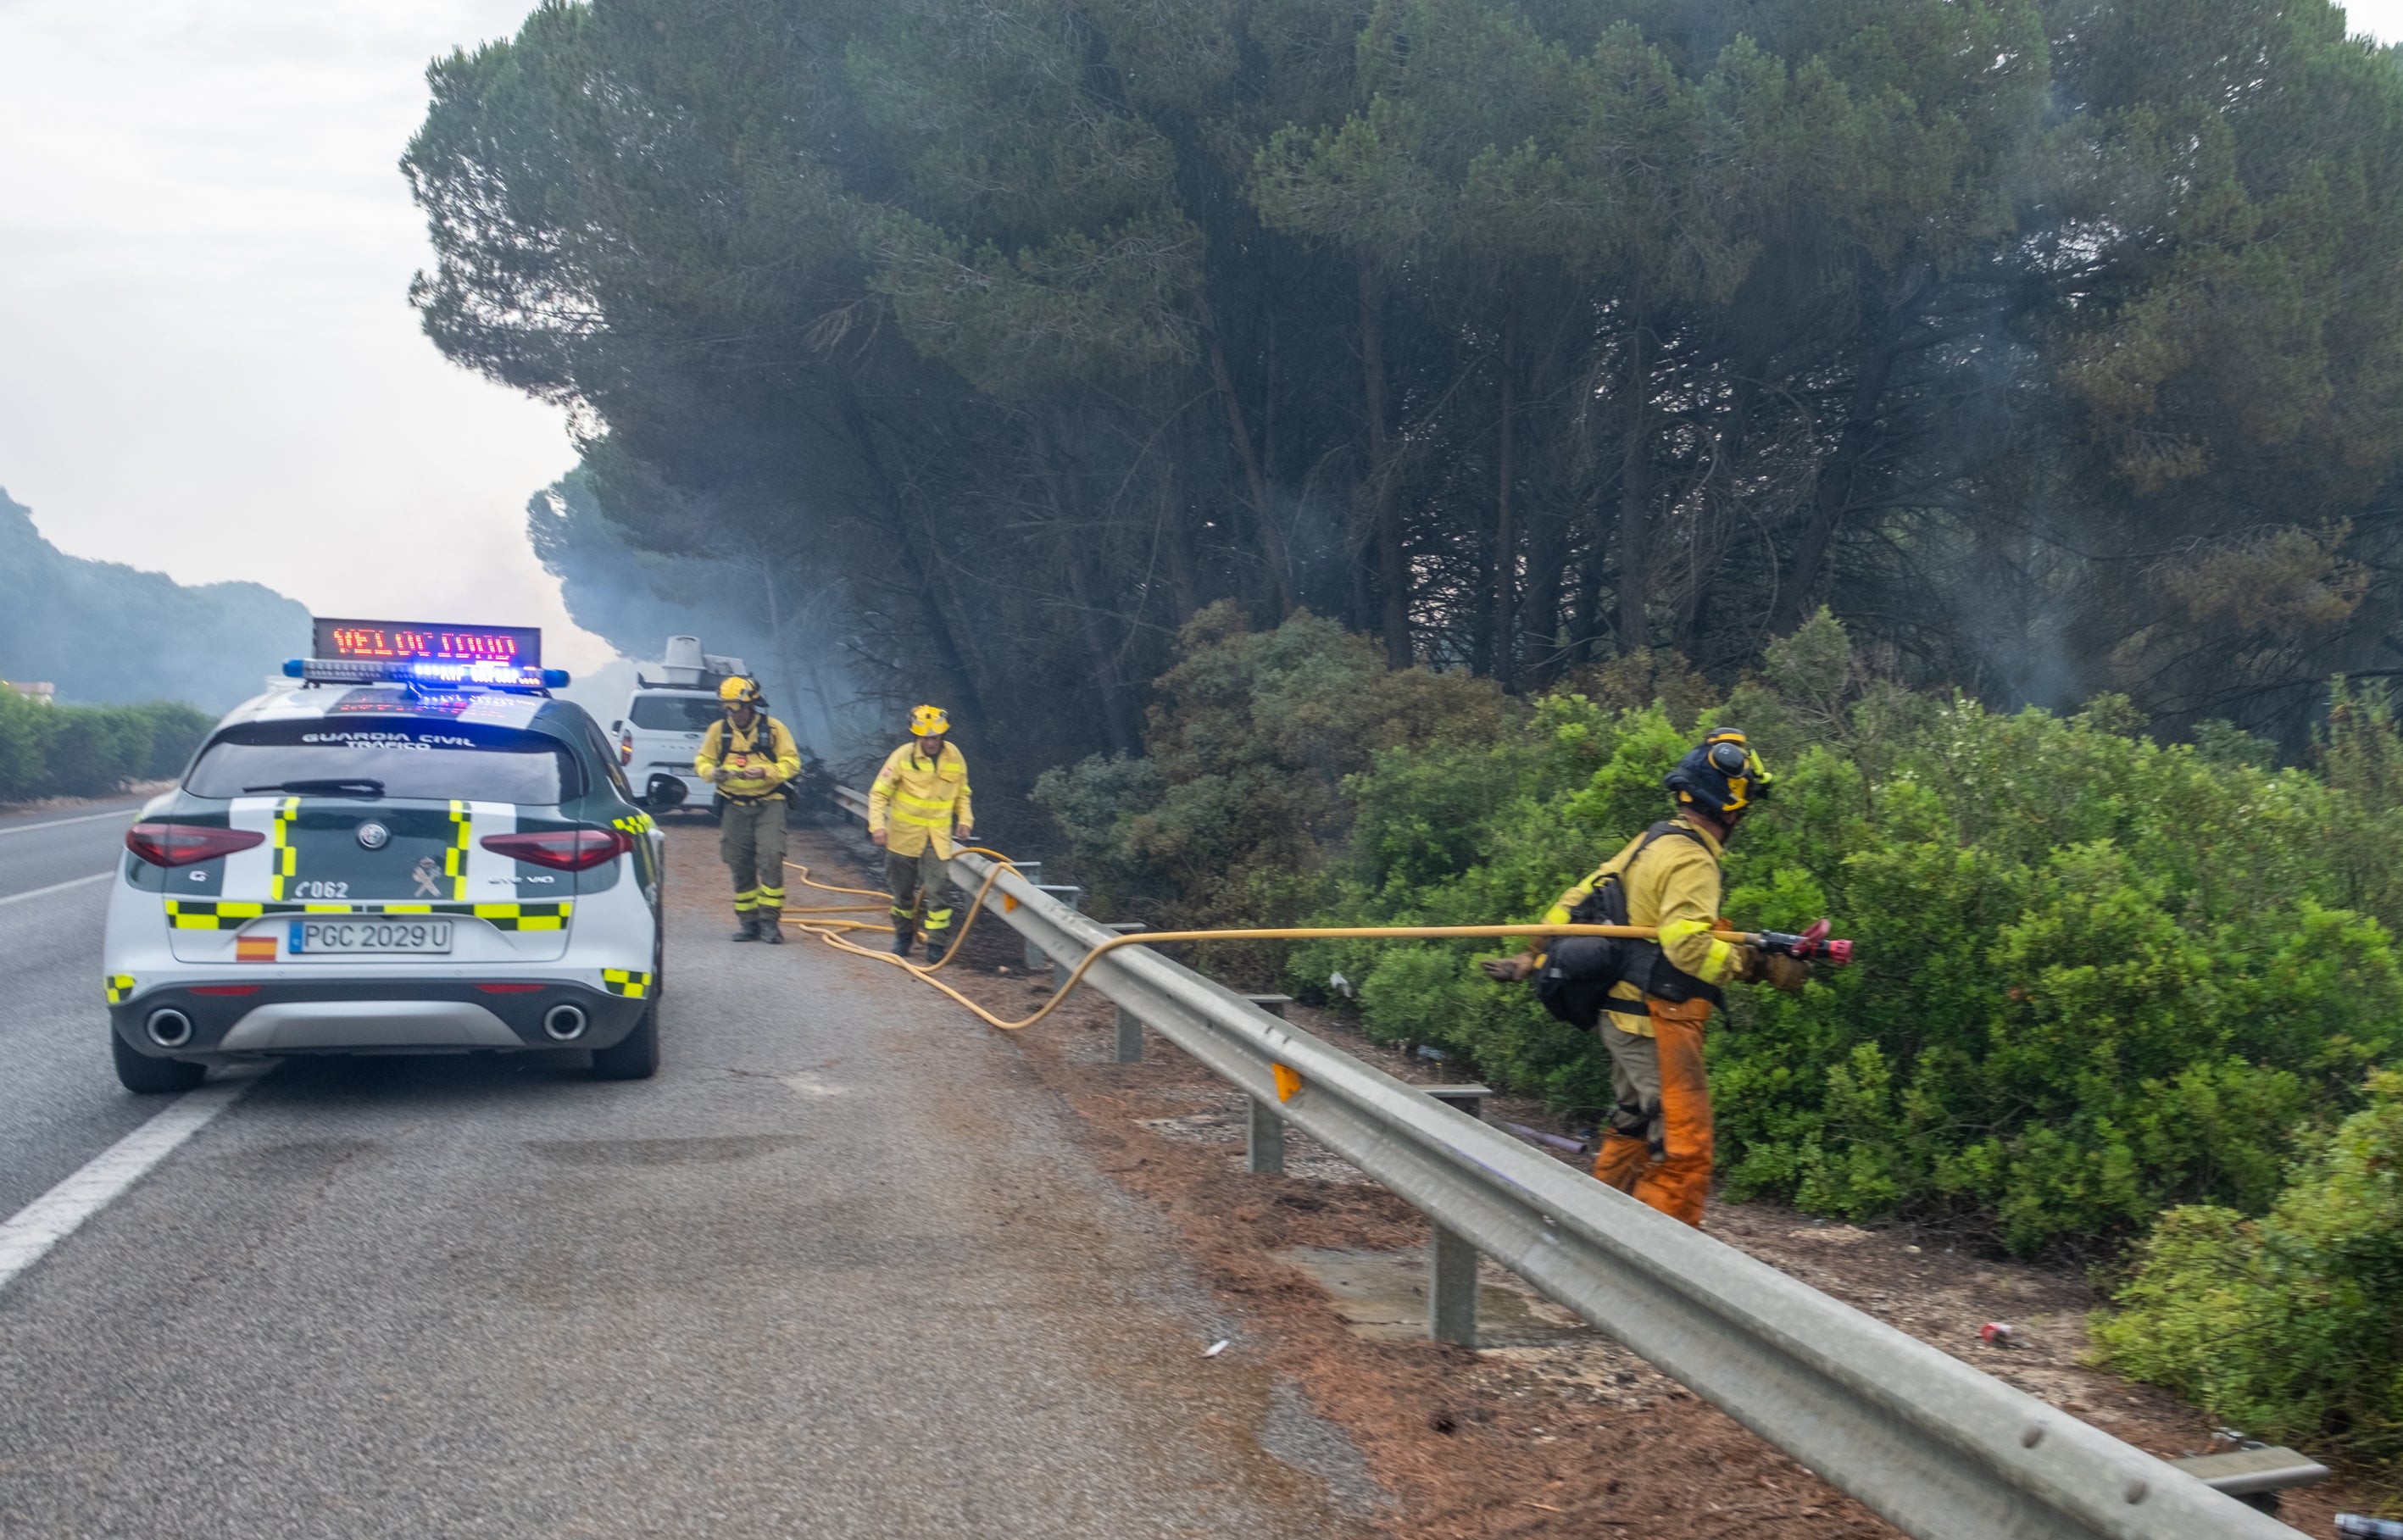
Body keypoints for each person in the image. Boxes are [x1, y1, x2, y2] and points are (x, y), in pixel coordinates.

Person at [1480, 729, 1805, 1226]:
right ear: (1732, 809)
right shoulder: (1695, 860)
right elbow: (1688, 946)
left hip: (1621, 1018)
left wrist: (1531, 953)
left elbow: (1577, 898)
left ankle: (1589, 1233)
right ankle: (1657, 1268)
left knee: (1632, 1123)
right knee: (1681, 1148)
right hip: (1655, 1020)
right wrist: (1756, 964)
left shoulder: (1653, 840)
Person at [694, 676, 803, 942]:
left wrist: (766, 772)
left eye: (739, 708)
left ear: (752, 705)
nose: (735, 714)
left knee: (770, 858)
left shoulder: (774, 729)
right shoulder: (718, 731)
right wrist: (713, 773)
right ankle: (748, 923)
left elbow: (792, 763)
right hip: (733, 806)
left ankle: (769, 923)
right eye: (729, 709)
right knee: (739, 863)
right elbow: (702, 760)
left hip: (769, 803)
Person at [867, 704, 974, 961]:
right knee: (902, 892)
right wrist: (877, 826)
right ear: (917, 736)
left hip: (936, 837)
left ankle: (936, 944)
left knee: (938, 889)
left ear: (942, 736)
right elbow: (879, 793)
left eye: (935, 737)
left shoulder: (955, 757)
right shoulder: (902, 757)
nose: (931, 742)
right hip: (902, 837)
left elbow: (963, 793)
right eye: (926, 738)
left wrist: (966, 819)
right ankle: (903, 936)